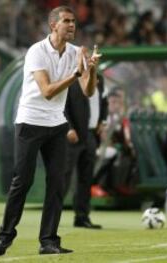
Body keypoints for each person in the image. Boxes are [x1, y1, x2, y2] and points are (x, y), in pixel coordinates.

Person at [0, 6, 101, 256]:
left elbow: (88, 91)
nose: (72, 25)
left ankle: (48, 241)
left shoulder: (76, 52)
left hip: (56, 125)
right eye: (66, 21)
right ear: (53, 25)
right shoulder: (36, 52)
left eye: (73, 21)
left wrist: (91, 69)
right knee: (23, 181)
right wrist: (76, 73)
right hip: (30, 123)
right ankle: (4, 236)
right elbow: (48, 91)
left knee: (57, 183)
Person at [64, 74, 107, 229]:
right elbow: (62, 106)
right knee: (64, 176)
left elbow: (104, 101)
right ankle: (51, 214)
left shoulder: (99, 79)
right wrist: (68, 128)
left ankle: (82, 216)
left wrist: (103, 120)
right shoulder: (71, 80)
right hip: (74, 134)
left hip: (90, 134)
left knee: (86, 177)